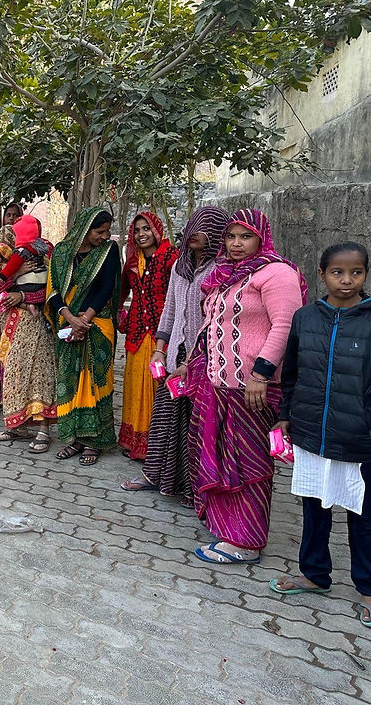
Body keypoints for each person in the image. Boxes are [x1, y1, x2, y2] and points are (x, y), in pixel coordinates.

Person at [179, 208, 306, 565]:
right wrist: (191, 362)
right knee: (221, 457)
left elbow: (285, 326)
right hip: (217, 384)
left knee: (248, 464)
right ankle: (229, 528)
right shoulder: (227, 274)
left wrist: (260, 375)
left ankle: (247, 542)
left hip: (251, 388)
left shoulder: (276, 272)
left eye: (245, 236)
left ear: (261, 237)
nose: (236, 244)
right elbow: (210, 324)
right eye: (231, 236)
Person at [269, 242, 371, 626]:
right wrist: (285, 416)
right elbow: (291, 374)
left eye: (356, 273)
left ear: (365, 274)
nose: (346, 280)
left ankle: (367, 587)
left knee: (363, 515)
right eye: (337, 272)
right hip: (312, 434)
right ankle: (314, 575)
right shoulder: (305, 318)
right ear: (322, 275)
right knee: (315, 507)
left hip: (359, 438)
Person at [121, 206, 230, 502]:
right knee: (164, 417)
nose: (194, 232)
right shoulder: (180, 266)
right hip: (174, 354)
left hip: (203, 357)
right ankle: (154, 474)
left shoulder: (221, 270)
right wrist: (159, 350)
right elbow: (170, 310)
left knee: (195, 422)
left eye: (204, 227)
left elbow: (216, 320)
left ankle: (190, 486)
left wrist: (190, 362)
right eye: (193, 224)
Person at [48, 207, 122, 466]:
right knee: (71, 381)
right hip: (68, 324)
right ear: (84, 228)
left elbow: (105, 289)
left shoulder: (108, 251)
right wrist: (70, 318)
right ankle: (77, 438)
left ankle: (96, 441)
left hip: (97, 323)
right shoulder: (61, 253)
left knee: (96, 382)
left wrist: (85, 320)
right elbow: (53, 291)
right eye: (99, 232)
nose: (103, 236)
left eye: (106, 232)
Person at [0, 214, 57, 452]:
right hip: (13, 325)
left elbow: (52, 291)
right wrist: (14, 277)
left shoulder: (48, 257)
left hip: (38, 324)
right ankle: (16, 425)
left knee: (40, 373)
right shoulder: (7, 257)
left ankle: (43, 429)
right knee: (13, 374)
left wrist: (24, 296)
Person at [118, 211, 179, 460]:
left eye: (146, 229)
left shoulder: (171, 257)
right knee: (134, 385)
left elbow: (178, 295)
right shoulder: (133, 261)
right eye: (137, 230)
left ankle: (157, 445)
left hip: (161, 334)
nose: (141, 234)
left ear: (156, 229)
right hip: (136, 333)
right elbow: (121, 291)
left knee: (158, 387)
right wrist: (120, 316)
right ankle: (134, 442)